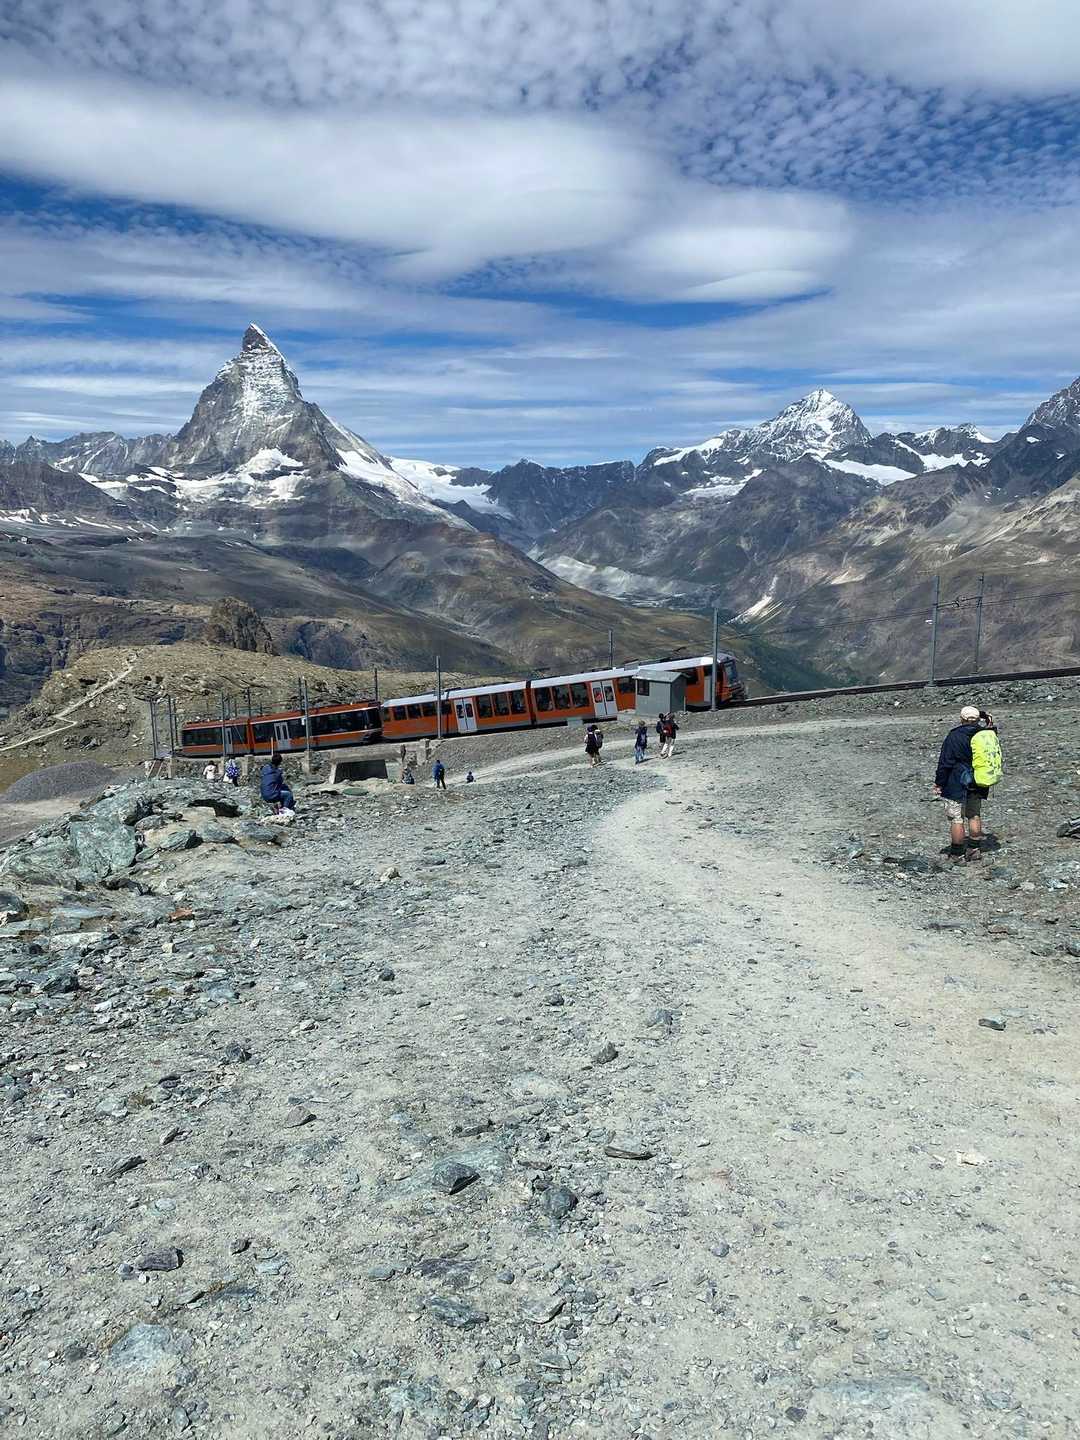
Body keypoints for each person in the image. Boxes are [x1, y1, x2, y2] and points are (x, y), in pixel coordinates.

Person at [934, 704, 1002, 862]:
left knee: (956, 818)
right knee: (974, 815)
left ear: (961, 719)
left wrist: (939, 783)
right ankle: (974, 850)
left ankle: (957, 854)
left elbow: (945, 763)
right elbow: (990, 726)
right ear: (977, 719)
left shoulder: (954, 736)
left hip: (957, 781)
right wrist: (985, 716)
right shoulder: (985, 733)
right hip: (978, 779)